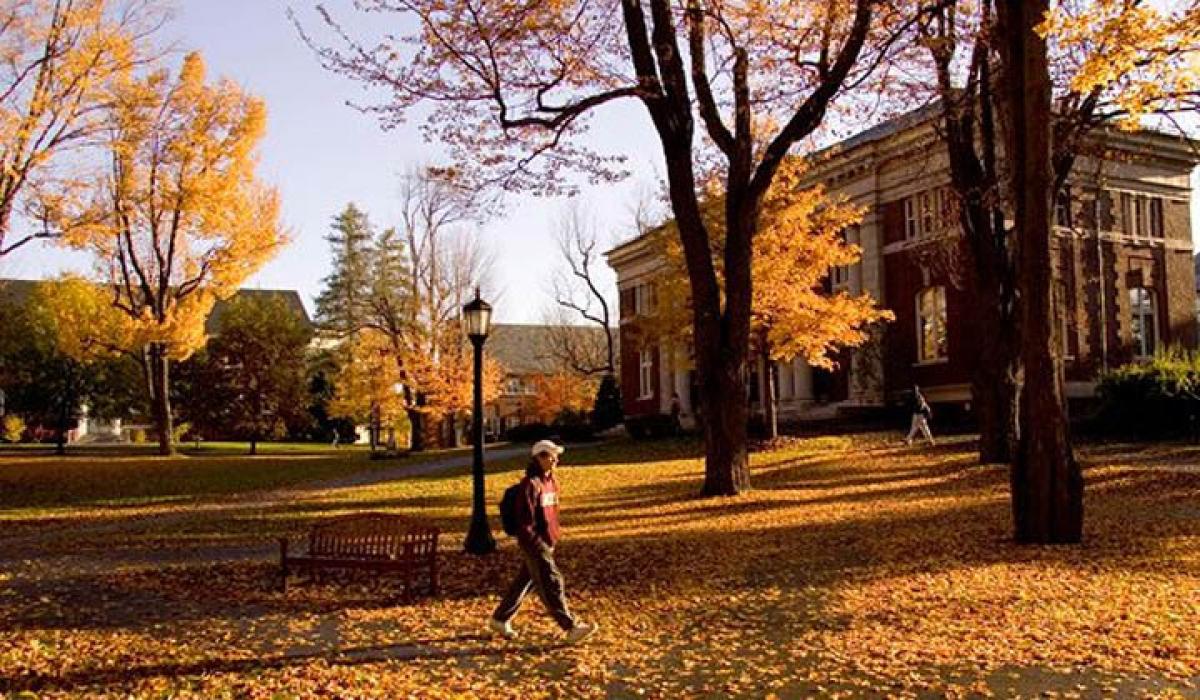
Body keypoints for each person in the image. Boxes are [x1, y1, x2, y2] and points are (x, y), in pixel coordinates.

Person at [489, 439, 598, 644]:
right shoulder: (530, 485)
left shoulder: (552, 483)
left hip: (548, 541)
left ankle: (500, 618)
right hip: (535, 543)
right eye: (549, 455)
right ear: (538, 458)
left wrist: (554, 537)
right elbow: (524, 521)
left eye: (556, 455)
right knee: (551, 582)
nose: (555, 459)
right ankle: (571, 627)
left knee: (525, 581)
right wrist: (536, 543)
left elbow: (552, 513)